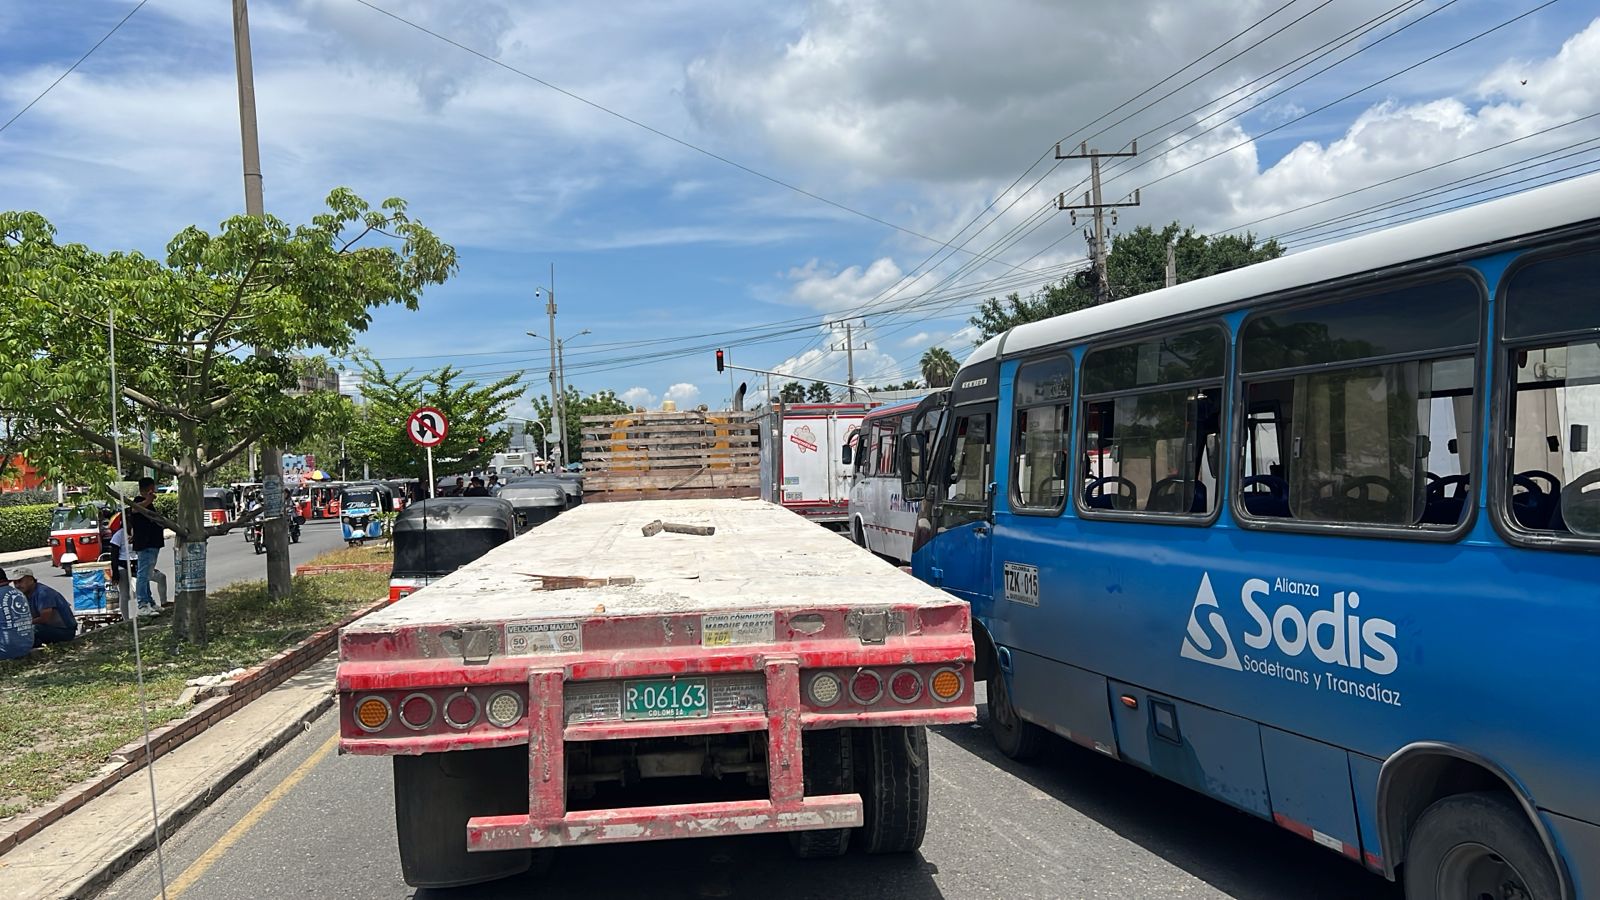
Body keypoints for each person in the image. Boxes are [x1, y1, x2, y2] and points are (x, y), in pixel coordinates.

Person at [128, 477, 167, 616]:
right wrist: (148, 500)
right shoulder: (138, 502)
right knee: (143, 575)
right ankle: (142, 604)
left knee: (148, 574)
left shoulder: (148, 505)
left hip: (153, 544)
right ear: (150, 488)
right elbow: (134, 510)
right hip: (145, 544)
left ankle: (149, 602)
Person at [11, 567, 76, 647]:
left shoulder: (43, 593)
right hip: (48, 629)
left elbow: (44, 619)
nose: (17, 585)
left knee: (30, 630)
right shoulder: (25, 594)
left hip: (65, 631)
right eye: (15, 583)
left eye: (20, 581)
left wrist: (23, 624)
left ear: (31, 580)